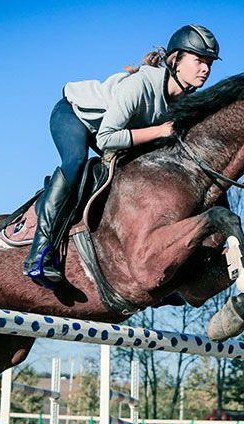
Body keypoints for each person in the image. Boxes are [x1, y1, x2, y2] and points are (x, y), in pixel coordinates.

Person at [24, 24, 221, 288]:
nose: (206, 69)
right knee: (76, 163)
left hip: (115, 133)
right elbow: (106, 139)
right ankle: (39, 252)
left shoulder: (181, 102)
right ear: (175, 60)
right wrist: (160, 130)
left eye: (209, 63)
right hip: (75, 116)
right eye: (199, 61)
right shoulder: (140, 85)